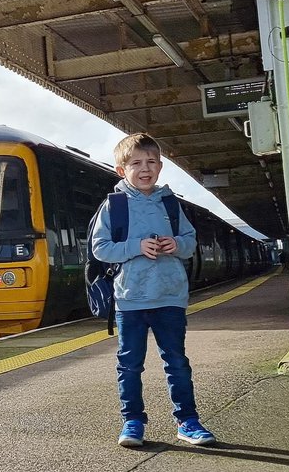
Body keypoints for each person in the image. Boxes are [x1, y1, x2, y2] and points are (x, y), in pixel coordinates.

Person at [90, 133, 216, 448]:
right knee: (130, 364)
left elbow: (190, 242)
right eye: (136, 163)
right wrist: (135, 246)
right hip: (129, 299)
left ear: (160, 166)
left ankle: (187, 421)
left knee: (176, 361)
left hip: (170, 296)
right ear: (122, 170)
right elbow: (100, 248)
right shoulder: (114, 205)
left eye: (151, 162)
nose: (144, 169)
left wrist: (177, 245)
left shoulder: (171, 203)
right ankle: (132, 422)